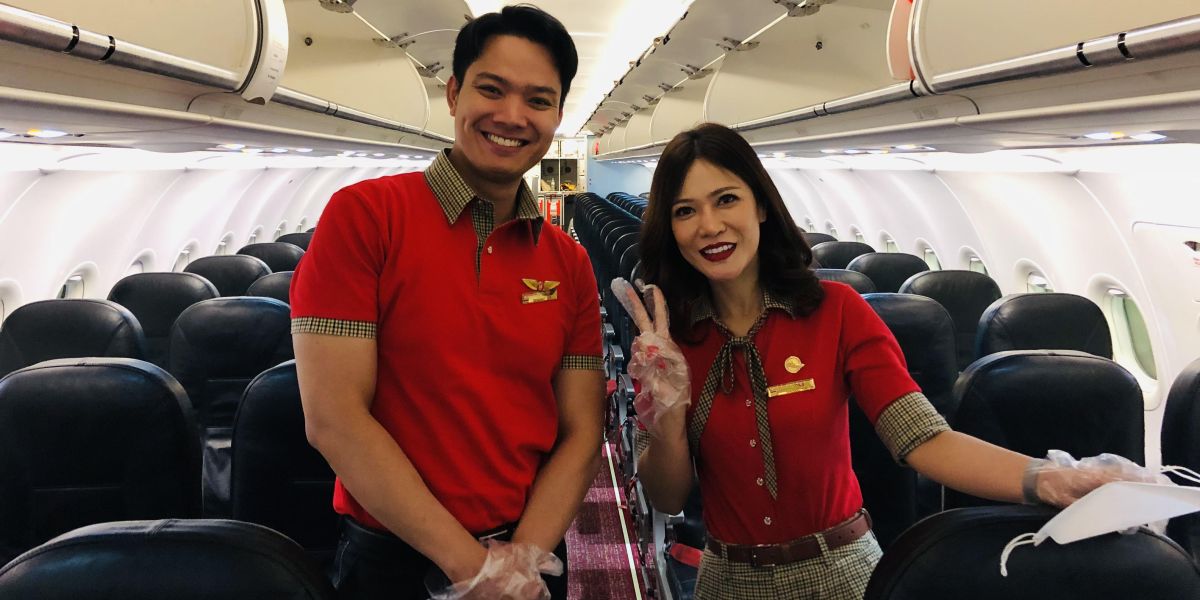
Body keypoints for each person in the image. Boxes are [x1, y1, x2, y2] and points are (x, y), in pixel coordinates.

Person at [621, 122, 1151, 599]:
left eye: (726, 200)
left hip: (843, 573)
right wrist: (665, 416)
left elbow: (924, 439)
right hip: (729, 581)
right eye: (685, 211)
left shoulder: (836, 311)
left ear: (760, 205)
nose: (709, 225)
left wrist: (1050, 477)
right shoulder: (668, 343)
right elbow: (667, 496)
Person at [289, 6, 604, 600]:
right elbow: (334, 418)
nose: (512, 116)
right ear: (455, 93)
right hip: (394, 561)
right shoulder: (364, 218)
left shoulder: (569, 262)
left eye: (538, 100)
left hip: (529, 555)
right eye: (492, 89)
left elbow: (583, 432)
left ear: (558, 117)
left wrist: (520, 563)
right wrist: (471, 568)